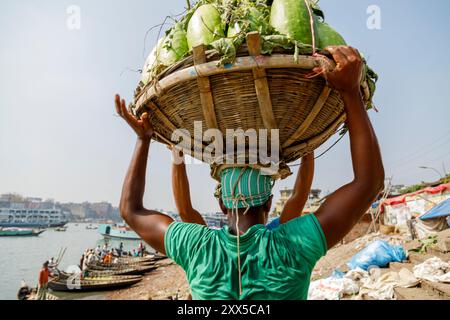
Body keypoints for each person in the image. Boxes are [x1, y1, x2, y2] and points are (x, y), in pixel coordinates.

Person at [114, 45, 385, 300]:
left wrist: (143, 139)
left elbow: (131, 210)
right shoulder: (293, 245)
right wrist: (348, 94)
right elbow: (368, 184)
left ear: (221, 205)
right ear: (268, 202)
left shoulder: (197, 248)